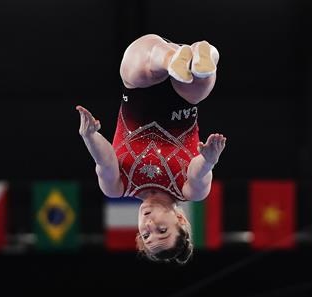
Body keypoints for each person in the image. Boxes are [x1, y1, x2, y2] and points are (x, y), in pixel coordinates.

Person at [76, 34, 226, 264]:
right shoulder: (189, 191)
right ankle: (200, 58)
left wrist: (90, 136)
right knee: (198, 85)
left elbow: (104, 163)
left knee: (140, 70)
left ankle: (175, 59)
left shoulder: (117, 188)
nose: (149, 225)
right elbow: (198, 173)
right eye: (162, 230)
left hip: (139, 86)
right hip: (183, 99)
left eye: (146, 235)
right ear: (181, 220)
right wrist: (208, 160)